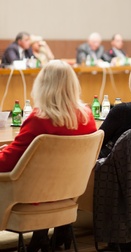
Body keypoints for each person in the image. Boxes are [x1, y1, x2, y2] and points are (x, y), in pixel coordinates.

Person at [0, 60, 97, 251]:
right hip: (69, 197)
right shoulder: (88, 118)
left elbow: (7, 164)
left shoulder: (39, 119)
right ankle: (48, 234)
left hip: (30, 197)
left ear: (42, 85)